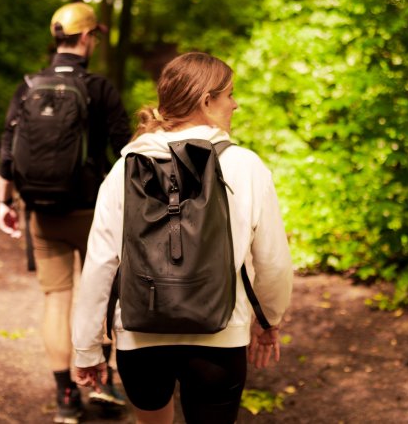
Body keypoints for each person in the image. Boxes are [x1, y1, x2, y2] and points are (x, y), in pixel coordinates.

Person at [70, 52, 293, 424]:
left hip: (139, 337)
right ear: (207, 101)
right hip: (220, 336)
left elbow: (101, 262)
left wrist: (87, 347)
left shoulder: (127, 165)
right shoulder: (245, 166)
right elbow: (273, 260)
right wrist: (268, 320)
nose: (235, 104)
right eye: (230, 95)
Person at [0, 2, 132, 423]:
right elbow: (125, 150)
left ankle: (66, 397)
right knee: (106, 296)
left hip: (43, 210)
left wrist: (5, 201)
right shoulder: (99, 87)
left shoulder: (28, 85)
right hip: (94, 212)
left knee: (57, 299)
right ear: (87, 37)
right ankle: (104, 381)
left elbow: (8, 149)